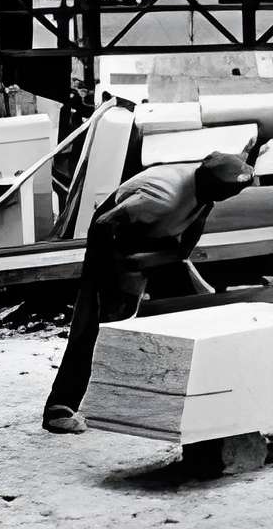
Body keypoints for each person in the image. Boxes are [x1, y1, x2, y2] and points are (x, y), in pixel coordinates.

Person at [43, 149, 256, 433]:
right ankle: (59, 408)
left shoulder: (204, 189)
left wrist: (170, 258)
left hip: (156, 238)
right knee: (95, 322)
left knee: (190, 310)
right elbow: (105, 224)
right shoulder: (163, 198)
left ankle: (195, 398)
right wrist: (120, 274)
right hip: (114, 238)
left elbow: (185, 244)